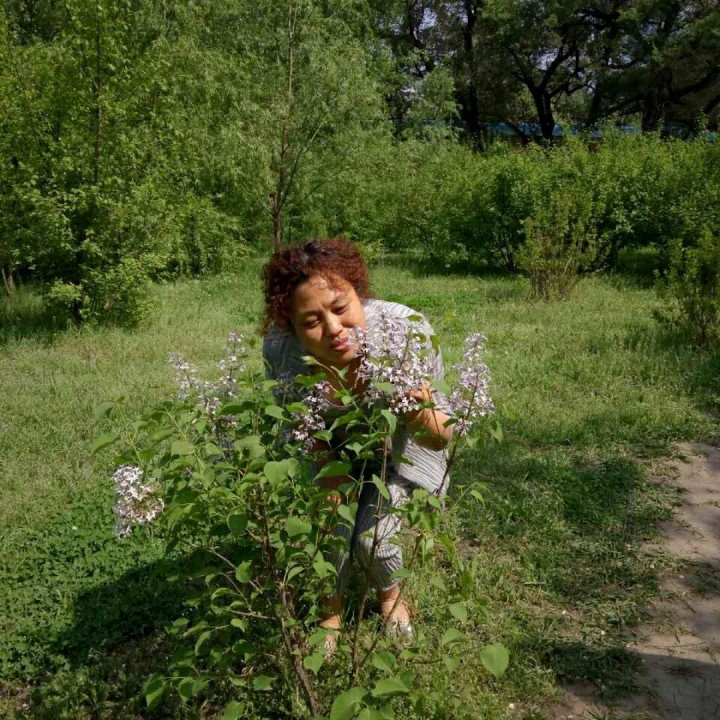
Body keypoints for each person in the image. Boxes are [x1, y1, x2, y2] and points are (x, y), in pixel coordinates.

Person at [261, 237, 452, 644]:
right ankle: (329, 612)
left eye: (340, 308)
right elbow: (299, 425)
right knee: (328, 530)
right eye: (311, 322)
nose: (333, 329)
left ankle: (391, 596)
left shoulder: (406, 332)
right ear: (291, 326)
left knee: (373, 541)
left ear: (358, 293)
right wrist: (332, 480)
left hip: (401, 451)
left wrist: (416, 410)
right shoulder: (282, 351)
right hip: (331, 451)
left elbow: (439, 438)